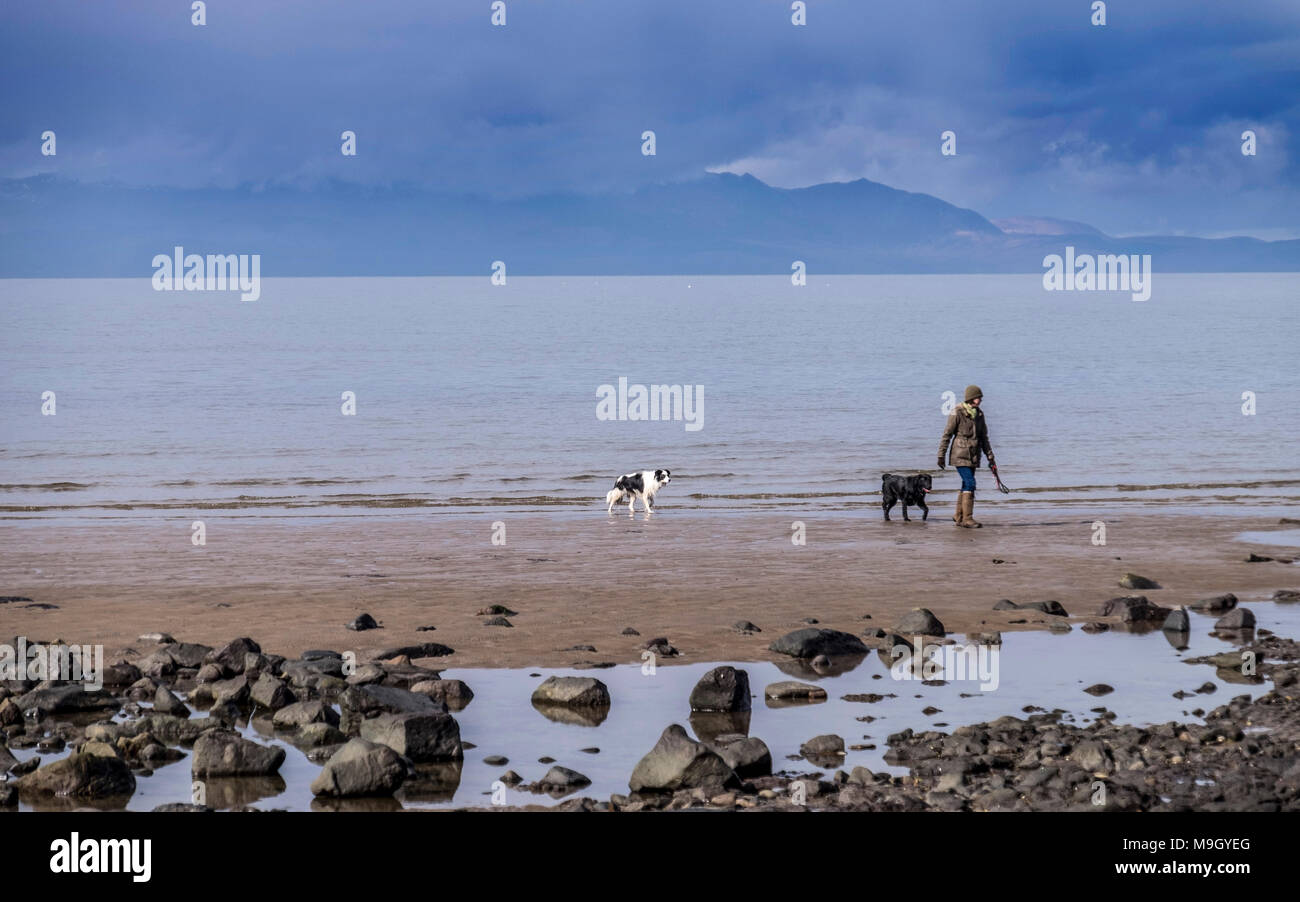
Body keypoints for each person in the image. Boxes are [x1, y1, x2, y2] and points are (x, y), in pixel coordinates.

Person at [937, 385, 998, 528]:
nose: (981, 399)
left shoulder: (980, 414)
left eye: (981, 397)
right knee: (971, 483)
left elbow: (984, 438)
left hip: (974, 456)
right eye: (978, 397)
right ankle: (968, 519)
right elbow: (947, 435)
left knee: (966, 484)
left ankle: (958, 516)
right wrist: (941, 455)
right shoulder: (957, 412)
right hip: (960, 454)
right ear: (971, 398)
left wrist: (990, 456)